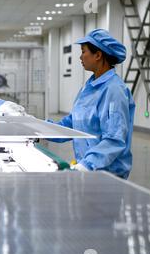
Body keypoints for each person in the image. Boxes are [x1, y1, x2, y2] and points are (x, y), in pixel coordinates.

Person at [48, 29, 135, 179]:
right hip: (90, 170)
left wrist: (87, 165)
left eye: (83, 51)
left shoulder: (114, 90)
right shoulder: (89, 87)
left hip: (107, 175)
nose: (80, 57)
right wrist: (42, 128)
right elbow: (73, 123)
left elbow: (114, 140)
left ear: (98, 55)